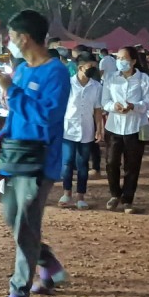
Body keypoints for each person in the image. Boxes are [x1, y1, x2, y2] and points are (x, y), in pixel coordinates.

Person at [0, 11, 70, 297]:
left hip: (40, 160)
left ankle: (18, 292)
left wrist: (13, 90)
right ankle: (47, 263)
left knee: (25, 223)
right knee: (14, 217)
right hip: (14, 157)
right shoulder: (21, 70)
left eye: (11, 35)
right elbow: (16, 113)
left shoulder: (56, 73)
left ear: (24, 37)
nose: (9, 41)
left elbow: (46, 118)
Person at [102, 46, 149, 214]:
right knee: (111, 162)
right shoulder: (110, 78)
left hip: (136, 127)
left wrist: (134, 106)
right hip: (114, 126)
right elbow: (105, 101)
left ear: (133, 61)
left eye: (123, 59)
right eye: (118, 58)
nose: (120, 62)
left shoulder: (143, 79)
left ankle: (127, 199)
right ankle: (114, 194)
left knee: (132, 165)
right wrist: (114, 106)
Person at [59, 53, 104, 211]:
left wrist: (99, 129)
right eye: (90, 67)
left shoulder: (97, 86)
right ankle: (66, 193)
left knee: (83, 164)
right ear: (80, 67)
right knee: (67, 162)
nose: (94, 70)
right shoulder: (68, 84)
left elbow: (97, 110)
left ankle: (80, 196)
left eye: (95, 67)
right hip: (68, 129)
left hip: (87, 129)